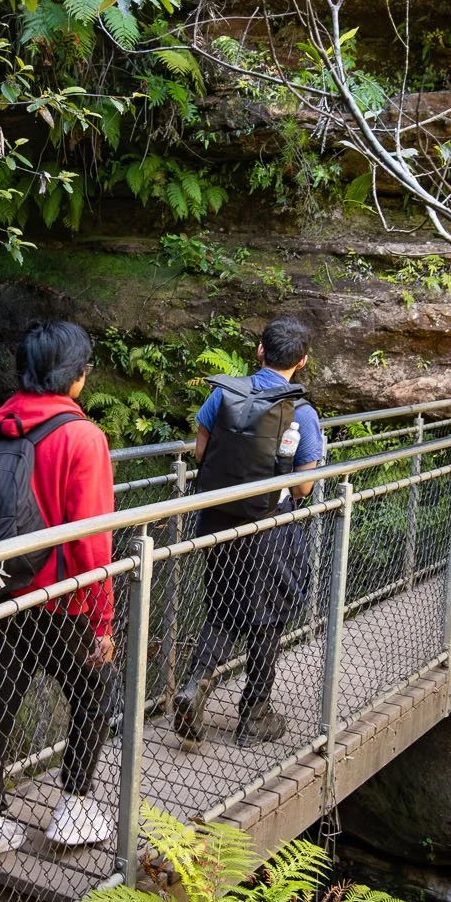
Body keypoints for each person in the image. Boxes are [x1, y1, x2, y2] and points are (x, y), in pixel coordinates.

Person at [0, 319, 117, 870]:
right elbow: (92, 540)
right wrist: (102, 620)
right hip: (61, 599)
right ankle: (74, 805)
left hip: (2, 594)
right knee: (95, 690)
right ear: (75, 376)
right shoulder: (83, 438)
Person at [173, 315, 323, 747]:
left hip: (218, 522)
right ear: (302, 361)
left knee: (223, 608)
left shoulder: (224, 393)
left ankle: (194, 686)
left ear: (259, 351)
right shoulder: (301, 411)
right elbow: (303, 485)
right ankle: (254, 713)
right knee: (269, 616)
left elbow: (202, 452)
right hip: (269, 529)